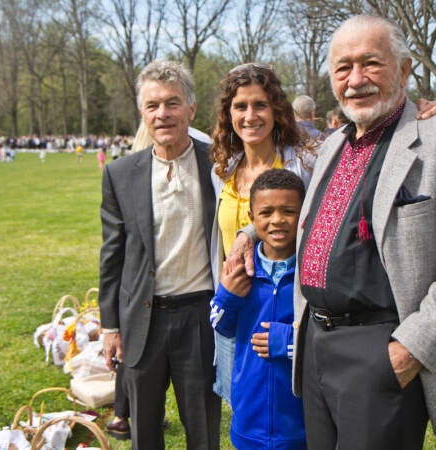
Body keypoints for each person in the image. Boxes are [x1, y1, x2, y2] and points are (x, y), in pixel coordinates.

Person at [226, 15, 436, 448]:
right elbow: (290, 212)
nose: (355, 80)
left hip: (382, 350)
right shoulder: (331, 143)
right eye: (342, 68)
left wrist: (407, 352)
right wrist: (249, 233)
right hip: (314, 345)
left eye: (371, 63)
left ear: (404, 69)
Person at [98, 59, 220, 450]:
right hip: (142, 321)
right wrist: (110, 325)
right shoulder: (121, 174)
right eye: (152, 105)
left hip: (199, 317)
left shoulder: (218, 163)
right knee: (145, 434)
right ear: (142, 113)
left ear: (191, 109)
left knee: (202, 431)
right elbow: (112, 255)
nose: (162, 114)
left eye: (172, 103)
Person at [210, 62, 316, 405]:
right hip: (238, 305)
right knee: (242, 406)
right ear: (229, 113)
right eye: (240, 106)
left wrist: (249, 232)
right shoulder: (224, 169)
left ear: (276, 111)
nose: (250, 115)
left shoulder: (302, 164)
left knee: (293, 409)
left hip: (287, 310)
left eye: (260, 105)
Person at [210, 168, 306, 449]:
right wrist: (227, 296)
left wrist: (290, 342)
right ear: (252, 219)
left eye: (289, 211)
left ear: (304, 215)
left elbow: (327, 337)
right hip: (249, 421)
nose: (277, 220)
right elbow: (220, 325)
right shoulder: (239, 272)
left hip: (301, 425)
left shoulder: (310, 275)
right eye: (266, 213)